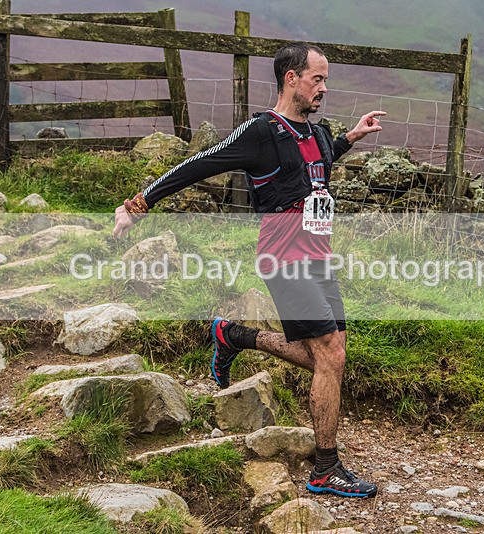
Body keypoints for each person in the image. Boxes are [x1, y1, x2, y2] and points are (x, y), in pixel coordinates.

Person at [113, 41, 385, 498]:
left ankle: (234, 336)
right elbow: (198, 165)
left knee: (328, 354)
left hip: (320, 255)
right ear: (291, 79)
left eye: (326, 80)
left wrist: (349, 138)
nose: (323, 88)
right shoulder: (261, 132)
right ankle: (324, 468)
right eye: (317, 79)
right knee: (331, 353)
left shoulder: (316, 134)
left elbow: (317, 167)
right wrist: (137, 205)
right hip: (283, 256)